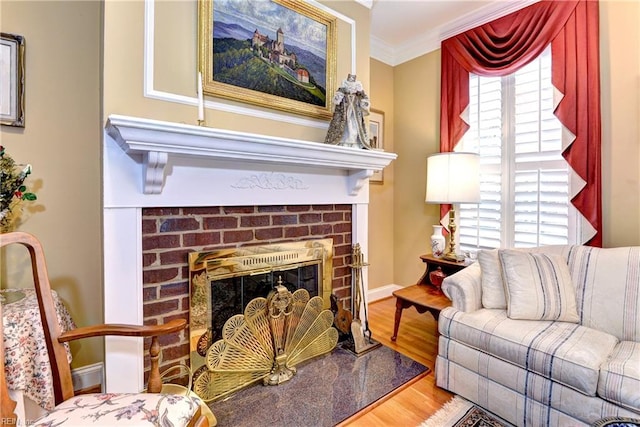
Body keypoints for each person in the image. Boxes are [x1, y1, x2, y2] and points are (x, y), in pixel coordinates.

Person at [325, 74, 372, 149]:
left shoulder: (357, 97)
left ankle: (354, 142)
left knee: (355, 126)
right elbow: (336, 101)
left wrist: (364, 103)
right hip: (344, 113)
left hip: (355, 113)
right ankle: (344, 141)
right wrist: (338, 97)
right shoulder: (343, 94)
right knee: (345, 125)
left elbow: (364, 101)